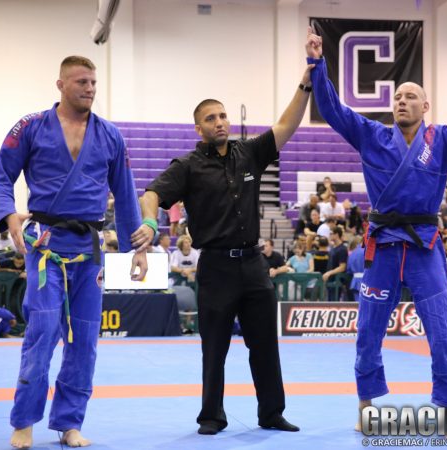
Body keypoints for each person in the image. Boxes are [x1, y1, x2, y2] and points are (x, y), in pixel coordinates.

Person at [306, 27, 447, 427]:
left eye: (410, 96)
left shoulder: (444, 140)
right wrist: (316, 62)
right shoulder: (372, 136)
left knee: (442, 330)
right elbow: (332, 110)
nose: (402, 101)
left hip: (423, 247)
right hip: (382, 245)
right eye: (397, 96)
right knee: (368, 330)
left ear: (426, 105)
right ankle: (366, 404)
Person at [132, 65, 315, 435]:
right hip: (216, 269)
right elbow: (151, 193)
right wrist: (150, 222)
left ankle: (271, 413)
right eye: (210, 118)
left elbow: (286, 125)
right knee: (214, 349)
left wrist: (304, 86)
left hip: (254, 265)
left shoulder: (249, 153)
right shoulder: (187, 166)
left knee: (265, 345)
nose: (219, 122)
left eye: (223, 115)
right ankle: (212, 416)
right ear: (198, 129)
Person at [0, 56, 148, 449]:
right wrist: (7, 214)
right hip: (46, 245)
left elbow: (126, 194)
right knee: (42, 331)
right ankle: (24, 421)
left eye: (93, 82)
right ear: (60, 84)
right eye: (81, 82)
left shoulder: (110, 135)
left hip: (89, 249)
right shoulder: (31, 126)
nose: (89, 88)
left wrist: (136, 250)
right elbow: (1, 175)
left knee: (85, 339)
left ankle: (69, 422)